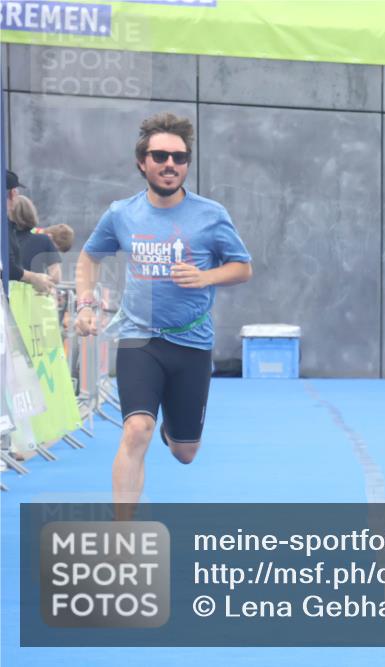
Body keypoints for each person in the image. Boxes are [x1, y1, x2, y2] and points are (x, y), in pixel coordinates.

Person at [74, 112, 252, 512]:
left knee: (184, 451)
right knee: (136, 430)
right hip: (139, 337)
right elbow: (89, 258)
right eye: (160, 156)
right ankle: (123, 537)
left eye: (180, 157)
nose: (170, 164)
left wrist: (206, 277)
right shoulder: (122, 213)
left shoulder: (210, 215)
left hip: (191, 341)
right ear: (143, 162)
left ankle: (173, 426)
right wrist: (85, 303)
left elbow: (243, 268)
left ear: (187, 163)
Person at [5, 170, 54, 295]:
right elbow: (6, 266)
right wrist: (34, 278)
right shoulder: (4, 227)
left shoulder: (7, 226)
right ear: (13, 193)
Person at [10, 195, 62, 284]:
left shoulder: (4, 243)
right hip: (36, 295)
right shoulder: (44, 241)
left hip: (5, 296)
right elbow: (56, 277)